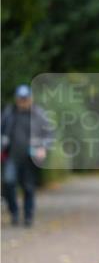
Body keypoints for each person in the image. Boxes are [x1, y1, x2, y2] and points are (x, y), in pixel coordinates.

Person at [1, 85, 53, 227]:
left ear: (31, 98)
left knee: (28, 188)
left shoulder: (39, 114)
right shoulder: (9, 113)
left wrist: (43, 147)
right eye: (21, 98)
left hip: (31, 159)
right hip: (11, 156)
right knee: (8, 183)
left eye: (26, 98)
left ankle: (28, 216)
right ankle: (14, 212)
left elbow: (49, 135)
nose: (23, 101)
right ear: (17, 99)